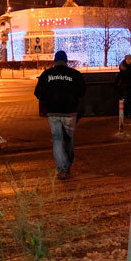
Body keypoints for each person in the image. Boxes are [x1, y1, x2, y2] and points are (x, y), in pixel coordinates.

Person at [34, 50, 87, 180]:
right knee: (69, 139)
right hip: (70, 112)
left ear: (55, 61)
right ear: (66, 61)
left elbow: (38, 93)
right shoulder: (74, 74)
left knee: (57, 140)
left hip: (53, 112)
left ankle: (62, 169)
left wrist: (48, 99)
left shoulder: (47, 74)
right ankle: (67, 164)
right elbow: (82, 92)